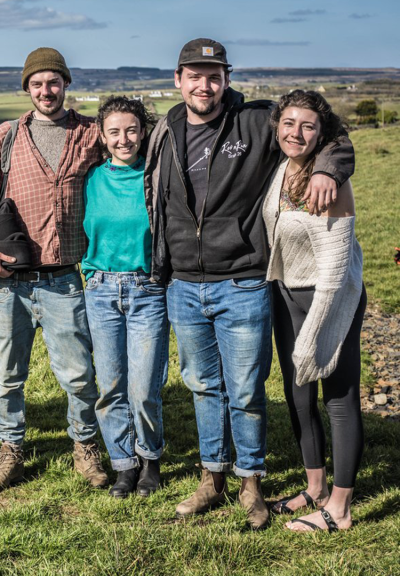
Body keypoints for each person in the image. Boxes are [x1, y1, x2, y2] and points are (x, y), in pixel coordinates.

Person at [143, 39, 355, 529]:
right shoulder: (167, 129)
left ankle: (251, 484)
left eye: (214, 75)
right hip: (184, 284)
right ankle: (211, 478)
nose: (204, 84)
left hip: (241, 281)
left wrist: (325, 167)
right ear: (178, 79)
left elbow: (331, 135)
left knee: (245, 390)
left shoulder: (257, 120)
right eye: (194, 75)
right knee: (203, 387)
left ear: (227, 79)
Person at [0, 47, 108, 492]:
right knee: (8, 374)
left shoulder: (91, 135)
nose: (46, 90)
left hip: (65, 278)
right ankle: (11, 451)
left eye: (54, 82)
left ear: (66, 84)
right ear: (26, 88)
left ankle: (85, 446)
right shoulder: (4, 138)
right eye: (37, 83)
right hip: (11, 282)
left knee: (79, 373)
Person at [262, 91, 365, 533]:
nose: (295, 133)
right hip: (288, 295)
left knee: (338, 396)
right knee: (298, 394)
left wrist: (316, 329)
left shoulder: (331, 180)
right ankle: (315, 487)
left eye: (307, 126)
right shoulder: (281, 167)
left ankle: (339, 508)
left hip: (331, 296)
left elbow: (336, 266)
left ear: (322, 133)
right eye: (288, 123)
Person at [81, 96, 169, 499]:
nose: (124, 139)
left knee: (144, 386)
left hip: (146, 288)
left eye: (131, 130)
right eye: (114, 131)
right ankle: (123, 465)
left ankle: (150, 458)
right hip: (100, 290)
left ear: (143, 131)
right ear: (102, 135)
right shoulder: (91, 179)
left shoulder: (155, 177)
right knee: (111, 384)